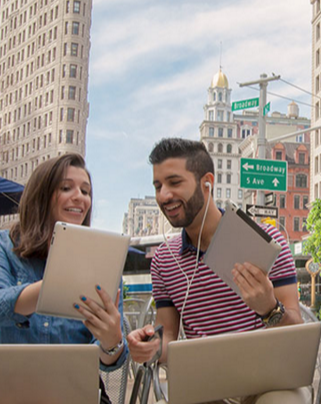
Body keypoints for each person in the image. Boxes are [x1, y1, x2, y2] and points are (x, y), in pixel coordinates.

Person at [125, 138, 307, 404]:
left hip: (269, 384)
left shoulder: (267, 240)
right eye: (158, 186)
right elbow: (168, 338)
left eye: (174, 183)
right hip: (206, 388)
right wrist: (150, 347)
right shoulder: (164, 260)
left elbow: (297, 336)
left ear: (206, 182)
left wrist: (269, 307)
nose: (164, 195)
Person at [0, 154, 128, 403]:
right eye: (66, 187)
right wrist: (59, 277)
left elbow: (108, 362)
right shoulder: (0, 245)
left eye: (86, 191)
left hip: (76, 392)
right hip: (12, 391)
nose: (80, 197)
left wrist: (112, 341)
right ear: (42, 195)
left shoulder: (104, 262)